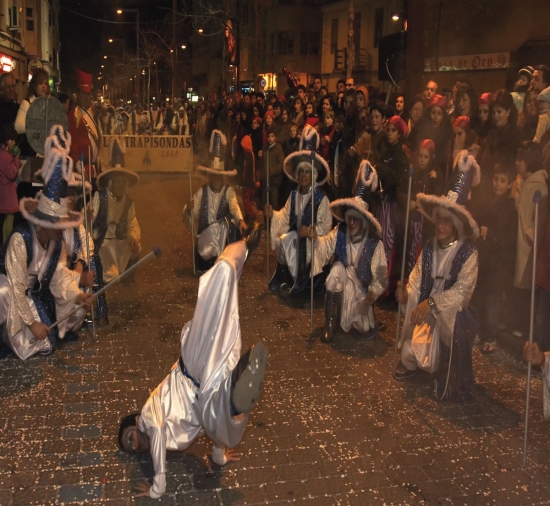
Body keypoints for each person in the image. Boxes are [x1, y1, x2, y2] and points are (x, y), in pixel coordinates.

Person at [118, 234, 267, 500]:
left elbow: (158, 432)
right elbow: (208, 429)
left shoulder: (148, 415)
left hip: (191, 365)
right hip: (204, 393)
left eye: (129, 438)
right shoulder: (170, 438)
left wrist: (157, 487)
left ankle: (243, 246)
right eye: (130, 449)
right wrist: (219, 455)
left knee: (217, 293)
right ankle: (235, 392)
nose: (134, 446)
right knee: (219, 415)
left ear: (135, 423)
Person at [394, 150, 480, 402]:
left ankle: (448, 367)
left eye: (446, 222)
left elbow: (462, 294)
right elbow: (417, 279)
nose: (440, 226)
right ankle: (433, 364)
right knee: (410, 354)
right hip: (428, 316)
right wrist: (406, 294)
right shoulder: (430, 248)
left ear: (456, 224)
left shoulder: (469, 253)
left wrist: (432, 303)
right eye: (438, 220)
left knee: (435, 353)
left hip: (453, 320)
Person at [0, 128, 93, 360]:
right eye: (57, 224)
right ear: (42, 223)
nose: (62, 229)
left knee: (45, 342)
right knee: (31, 340)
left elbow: (60, 275)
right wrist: (31, 324)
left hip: (31, 294)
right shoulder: (20, 240)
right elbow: (15, 285)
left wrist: (76, 295)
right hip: (9, 292)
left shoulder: (55, 243)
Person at [312, 173, 388, 342]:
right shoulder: (340, 231)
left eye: (356, 219)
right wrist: (314, 238)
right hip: (340, 288)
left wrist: (374, 292)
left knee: (361, 326)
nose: (352, 223)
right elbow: (325, 246)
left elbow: (382, 275)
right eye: (350, 218)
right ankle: (330, 323)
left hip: (361, 296)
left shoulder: (375, 243)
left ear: (363, 219)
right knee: (337, 268)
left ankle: (354, 320)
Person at [266, 125, 332, 297]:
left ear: (314, 175)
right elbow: (285, 216)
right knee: (283, 240)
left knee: (303, 247)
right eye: (301, 171)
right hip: (297, 241)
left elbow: (327, 226)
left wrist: (311, 231)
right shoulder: (294, 194)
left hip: (313, 244)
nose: (303, 175)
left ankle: (305, 283)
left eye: (307, 172)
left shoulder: (321, 198)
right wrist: (272, 213)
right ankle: (289, 278)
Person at [184, 130, 246, 273]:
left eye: (219, 175)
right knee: (204, 257)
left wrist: (240, 220)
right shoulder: (202, 191)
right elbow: (193, 211)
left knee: (227, 226)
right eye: (214, 175)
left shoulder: (228, 191)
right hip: (206, 235)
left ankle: (224, 261)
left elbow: (234, 206)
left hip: (223, 235)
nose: (217, 178)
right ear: (210, 175)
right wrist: (189, 209)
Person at [472, 163, 517, 354]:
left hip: (498, 264)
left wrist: (491, 234)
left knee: (492, 301)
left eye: (502, 181)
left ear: (509, 184)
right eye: (496, 179)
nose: (497, 184)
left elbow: (508, 238)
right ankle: (478, 331)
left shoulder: (510, 208)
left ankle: (490, 336)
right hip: (485, 258)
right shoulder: (489, 201)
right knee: (479, 297)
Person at [92, 137, 141, 283]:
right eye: (117, 180)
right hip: (103, 245)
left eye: (123, 181)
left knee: (137, 248)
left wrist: (133, 237)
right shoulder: (100, 197)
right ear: (111, 182)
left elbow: (132, 223)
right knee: (110, 277)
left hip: (119, 242)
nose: (120, 185)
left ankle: (127, 276)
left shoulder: (128, 202)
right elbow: (88, 221)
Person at [512, 141, 548, 337]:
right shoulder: (525, 183)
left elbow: (540, 217)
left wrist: (530, 234)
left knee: (527, 285)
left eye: (521, 159)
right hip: (521, 240)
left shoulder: (539, 186)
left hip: (528, 244)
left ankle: (525, 327)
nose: (517, 163)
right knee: (520, 284)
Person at [68, 69, 101, 182]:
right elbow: (72, 143)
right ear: (78, 94)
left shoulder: (91, 114)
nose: (87, 97)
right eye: (84, 94)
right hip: (82, 169)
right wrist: (78, 164)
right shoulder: (74, 115)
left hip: (94, 168)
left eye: (89, 94)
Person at [0, 125, 22, 243]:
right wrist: (16, 160)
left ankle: (5, 243)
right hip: (8, 192)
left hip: (4, 190)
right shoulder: (5, 156)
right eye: (12, 140)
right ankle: (6, 244)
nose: (14, 142)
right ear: (6, 140)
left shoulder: (3, 154)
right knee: (9, 219)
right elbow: (11, 173)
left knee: (7, 220)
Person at [258, 128, 285, 212]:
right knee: (265, 204)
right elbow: (261, 164)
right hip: (265, 181)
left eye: (272, 136)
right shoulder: (264, 149)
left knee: (273, 205)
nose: (270, 138)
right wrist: (261, 176)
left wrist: (271, 171)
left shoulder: (278, 149)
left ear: (275, 138)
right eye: (269, 136)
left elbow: (281, 165)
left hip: (274, 182)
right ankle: (266, 224)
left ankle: (274, 224)